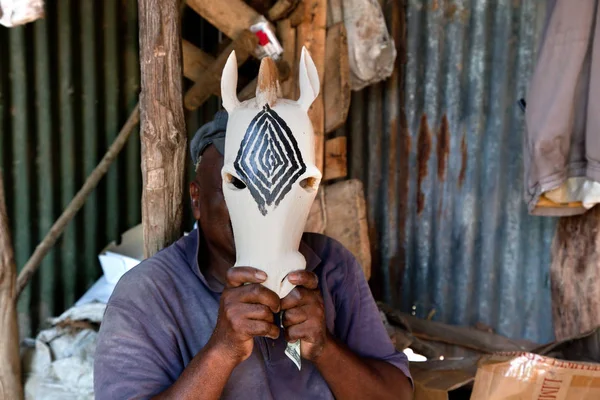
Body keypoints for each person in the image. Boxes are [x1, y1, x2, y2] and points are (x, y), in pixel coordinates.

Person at [94, 111, 413, 399]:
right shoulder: (147, 293)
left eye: (278, 187)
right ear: (197, 200)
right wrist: (222, 349)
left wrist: (325, 347)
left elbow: (396, 395)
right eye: (238, 186)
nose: (263, 207)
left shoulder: (331, 264)